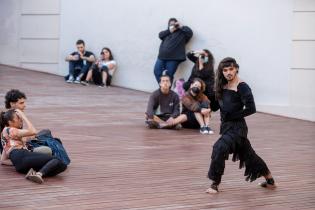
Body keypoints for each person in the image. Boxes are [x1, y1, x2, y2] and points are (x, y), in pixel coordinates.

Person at [206, 57, 275, 193]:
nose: (228, 72)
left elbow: (251, 108)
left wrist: (233, 115)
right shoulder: (222, 85)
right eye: (225, 70)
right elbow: (215, 107)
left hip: (238, 128)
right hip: (226, 128)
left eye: (231, 69)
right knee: (249, 156)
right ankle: (270, 180)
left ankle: (215, 183)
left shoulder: (242, 86)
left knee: (219, 148)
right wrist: (210, 96)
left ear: (236, 68)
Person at [0, 109, 67, 184]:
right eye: (18, 118)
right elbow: (33, 131)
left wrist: (16, 163)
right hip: (22, 155)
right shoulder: (10, 130)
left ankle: (34, 174)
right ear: (10, 122)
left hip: (19, 166)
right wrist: (24, 116)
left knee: (62, 166)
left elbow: (3, 160)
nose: (20, 119)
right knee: (56, 160)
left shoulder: (5, 135)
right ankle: (39, 174)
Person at [2, 89, 52, 156]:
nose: (24, 105)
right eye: (21, 103)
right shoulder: (8, 118)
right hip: (16, 150)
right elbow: (6, 141)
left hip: (22, 145)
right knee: (47, 145)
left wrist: (27, 136)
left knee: (46, 132)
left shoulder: (16, 115)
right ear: (12, 104)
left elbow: (20, 135)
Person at [154, 18, 193, 85]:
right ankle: (163, 88)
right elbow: (160, 35)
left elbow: (190, 32)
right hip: (161, 57)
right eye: (170, 24)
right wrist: (169, 30)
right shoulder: (167, 33)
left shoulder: (182, 33)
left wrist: (181, 26)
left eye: (174, 24)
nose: (172, 25)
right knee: (157, 71)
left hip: (174, 58)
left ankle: (166, 91)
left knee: (169, 75)